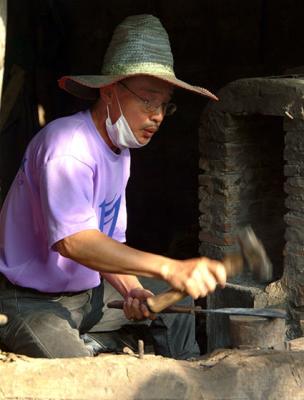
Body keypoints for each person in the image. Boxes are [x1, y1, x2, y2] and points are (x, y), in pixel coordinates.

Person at [0, 14, 226, 359]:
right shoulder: (68, 147)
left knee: (170, 305)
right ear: (109, 92)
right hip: (29, 302)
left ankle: (186, 383)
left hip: (87, 295)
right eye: (148, 100)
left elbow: (105, 244)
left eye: (164, 105)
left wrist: (132, 287)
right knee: (79, 373)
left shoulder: (119, 151)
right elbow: (75, 241)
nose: (158, 115)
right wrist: (171, 266)